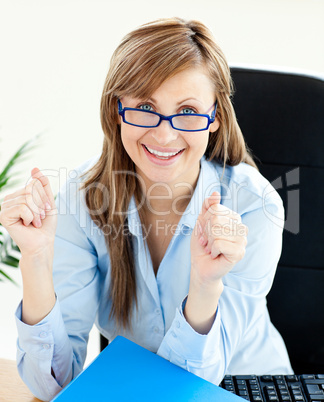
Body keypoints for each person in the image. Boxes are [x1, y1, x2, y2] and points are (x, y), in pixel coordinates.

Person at [0, 17, 293, 401]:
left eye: (187, 111)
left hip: (245, 387)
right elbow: (51, 383)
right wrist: (35, 260)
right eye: (145, 106)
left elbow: (196, 383)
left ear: (215, 117)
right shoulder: (80, 199)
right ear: (117, 109)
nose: (164, 134)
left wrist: (205, 285)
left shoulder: (255, 207)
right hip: (135, 390)